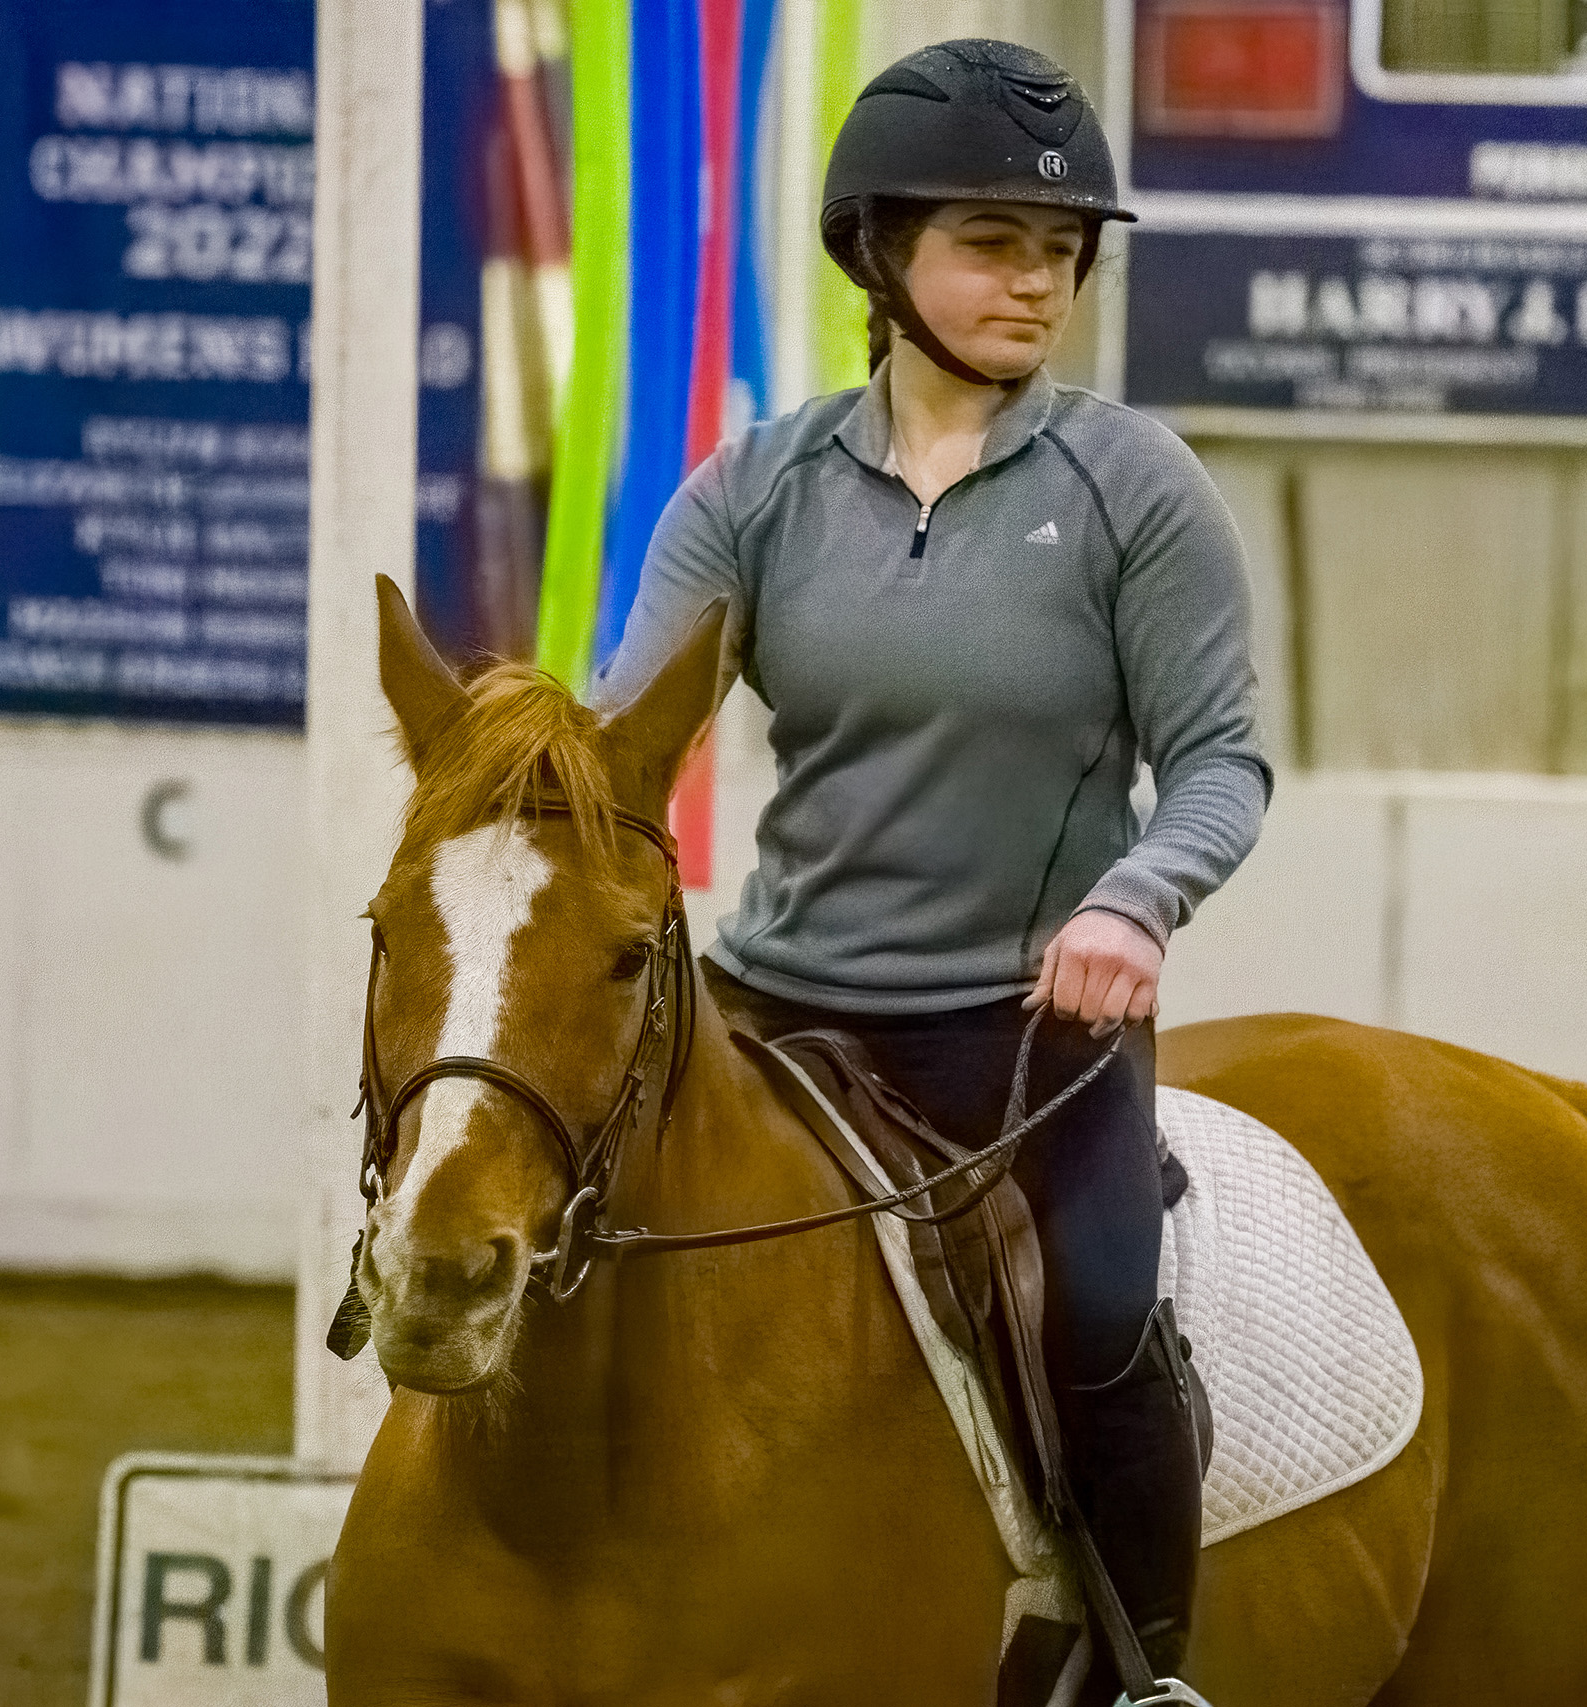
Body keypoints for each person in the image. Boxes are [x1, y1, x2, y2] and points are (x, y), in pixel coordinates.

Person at [600, 38, 1269, 1704]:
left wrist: (1134, 901)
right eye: (992, 243)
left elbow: (1220, 767)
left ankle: (1146, 1675)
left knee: (1099, 1309)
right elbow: (622, 753)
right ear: (880, 256)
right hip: (773, 1014)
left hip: (1028, 1036)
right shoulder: (753, 492)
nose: (1037, 283)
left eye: (1061, 251)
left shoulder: (1135, 491)